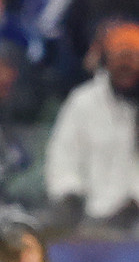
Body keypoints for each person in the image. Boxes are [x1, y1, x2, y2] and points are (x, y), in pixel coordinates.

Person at [44, 19, 139, 235]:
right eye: (120, 57)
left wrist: (134, 203)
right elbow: (62, 156)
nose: (126, 66)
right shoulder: (83, 101)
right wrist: (69, 195)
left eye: (133, 59)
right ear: (107, 60)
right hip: (84, 221)